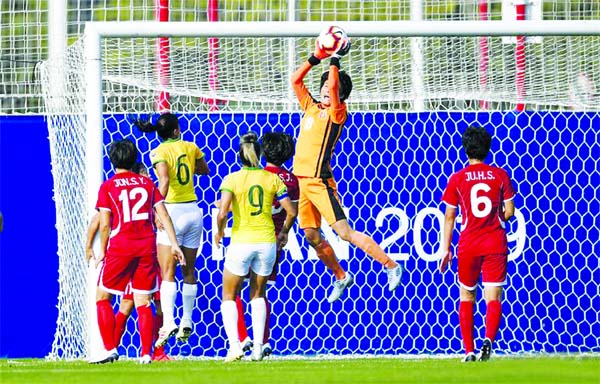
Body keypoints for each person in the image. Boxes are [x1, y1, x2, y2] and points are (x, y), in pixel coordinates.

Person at [290, 35, 403, 303]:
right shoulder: (310, 107)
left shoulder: (337, 114)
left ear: (340, 94)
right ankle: (341, 276)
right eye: (324, 87)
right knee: (311, 235)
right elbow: (295, 80)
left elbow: (334, 83)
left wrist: (335, 60)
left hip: (319, 182)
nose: (326, 90)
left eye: (331, 88)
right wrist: (316, 56)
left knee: (344, 233)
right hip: (301, 182)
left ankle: (391, 265)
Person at [92, 139, 184, 364]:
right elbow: (164, 215)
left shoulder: (108, 186)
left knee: (102, 296)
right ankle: (146, 354)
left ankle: (109, 349)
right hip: (146, 248)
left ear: (112, 159)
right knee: (143, 301)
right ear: (134, 158)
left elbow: (105, 224)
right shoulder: (147, 184)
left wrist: (102, 250)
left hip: (120, 247)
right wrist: (174, 243)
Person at [215, 132, 296, 362]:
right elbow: (291, 211)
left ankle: (235, 347)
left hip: (242, 241)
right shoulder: (272, 179)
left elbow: (222, 212)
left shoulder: (232, 179)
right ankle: (259, 348)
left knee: (229, 294)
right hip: (266, 242)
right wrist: (283, 233)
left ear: (239, 156)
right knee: (258, 294)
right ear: (259, 155)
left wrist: (219, 231)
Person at [439, 126, 516, 362]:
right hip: (495, 243)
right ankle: (488, 341)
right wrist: (494, 221)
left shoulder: (457, 178)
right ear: (488, 149)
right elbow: (510, 212)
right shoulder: (500, 175)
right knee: (493, 298)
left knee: (466, 297)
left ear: (465, 150)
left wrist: (445, 248)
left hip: (469, 244)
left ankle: (469, 351)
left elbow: (450, 216)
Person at [135, 113, 210, 347]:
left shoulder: (157, 152)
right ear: (177, 131)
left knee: (167, 272)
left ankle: (169, 322)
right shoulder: (191, 146)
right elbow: (204, 170)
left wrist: (158, 210)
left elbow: (164, 182)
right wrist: (187, 164)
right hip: (193, 212)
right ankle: (187, 320)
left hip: (173, 213)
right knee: (189, 269)